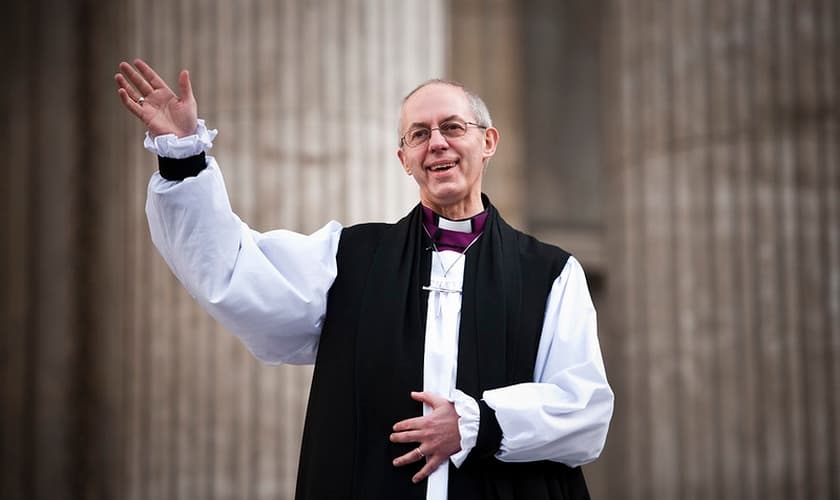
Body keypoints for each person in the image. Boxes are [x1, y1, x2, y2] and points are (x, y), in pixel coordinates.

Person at [115, 58, 613, 500]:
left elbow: (584, 409)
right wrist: (183, 157)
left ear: (488, 142)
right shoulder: (350, 258)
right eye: (418, 134)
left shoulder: (550, 273)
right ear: (404, 160)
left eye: (452, 127)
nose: (435, 142)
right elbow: (237, 271)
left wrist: (475, 425)